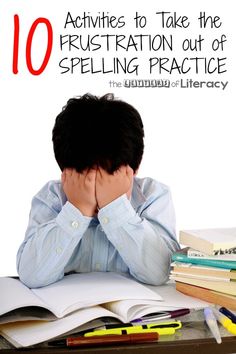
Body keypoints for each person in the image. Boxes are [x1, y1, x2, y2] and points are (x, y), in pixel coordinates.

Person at [17, 93, 179, 288]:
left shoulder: (153, 196)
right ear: (66, 172)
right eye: (86, 176)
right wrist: (78, 209)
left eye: (107, 177)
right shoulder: (52, 197)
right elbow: (30, 275)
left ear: (133, 170)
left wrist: (114, 207)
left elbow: (162, 273)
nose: (95, 186)